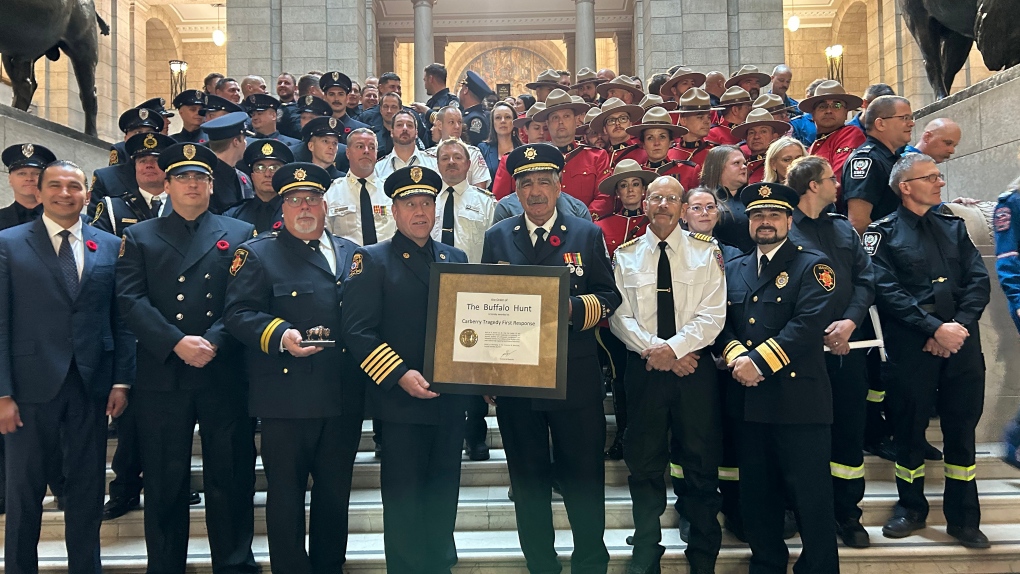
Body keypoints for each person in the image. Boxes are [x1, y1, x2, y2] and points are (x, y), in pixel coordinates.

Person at [116, 142, 259, 574]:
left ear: (213, 186)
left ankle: (234, 564)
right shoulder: (138, 236)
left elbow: (246, 300)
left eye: (200, 176)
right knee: (163, 479)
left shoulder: (240, 235)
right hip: (164, 373)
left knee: (231, 477)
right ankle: (165, 566)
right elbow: (129, 300)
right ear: (167, 183)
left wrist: (213, 341)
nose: (192, 183)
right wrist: (176, 342)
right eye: (182, 176)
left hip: (224, 370)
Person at [480, 143, 621, 574]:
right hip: (517, 382)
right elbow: (485, 305)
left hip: (574, 379)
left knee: (583, 477)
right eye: (526, 183)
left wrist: (572, 310)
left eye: (544, 181)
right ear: (515, 192)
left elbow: (609, 296)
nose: (536, 191)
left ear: (560, 186)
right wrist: (485, 369)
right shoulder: (497, 237)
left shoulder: (586, 233)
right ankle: (541, 562)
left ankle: (590, 561)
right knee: (527, 481)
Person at [223, 162, 363, 573]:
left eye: (313, 199)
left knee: (335, 498)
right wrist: (280, 333)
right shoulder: (258, 253)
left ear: (325, 206)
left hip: (342, 398)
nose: (305, 207)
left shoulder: (351, 254)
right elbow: (238, 314)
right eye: (295, 200)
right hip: (286, 400)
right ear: (282, 209)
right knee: (285, 498)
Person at [0, 160, 133, 574]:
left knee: (87, 486)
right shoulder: (8, 242)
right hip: (27, 387)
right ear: (37, 192)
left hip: (90, 385)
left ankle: (85, 567)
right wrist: (2, 393)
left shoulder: (110, 245)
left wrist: (122, 381)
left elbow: (121, 319)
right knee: (24, 489)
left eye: (73, 186)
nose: (64, 193)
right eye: (54, 185)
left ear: (87, 195)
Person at [342, 165, 469, 574]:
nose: (420, 211)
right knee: (404, 497)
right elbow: (358, 331)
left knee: (443, 493)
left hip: (450, 402)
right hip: (400, 404)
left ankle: (440, 566)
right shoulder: (372, 259)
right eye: (410, 204)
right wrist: (399, 374)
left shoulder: (456, 257)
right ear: (393, 212)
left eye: (427, 203)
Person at [866, 153, 991, 549]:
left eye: (939, 176)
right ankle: (911, 509)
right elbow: (886, 291)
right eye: (931, 177)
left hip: (961, 342)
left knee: (961, 432)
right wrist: (934, 327)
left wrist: (956, 327)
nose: (939, 183)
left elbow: (978, 281)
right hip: (912, 344)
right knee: (908, 430)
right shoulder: (882, 233)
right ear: (905, 186)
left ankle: (964, 518)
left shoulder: (954, 228)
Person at [715, 181, 840, 574]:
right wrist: (737, 358)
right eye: (757, 215)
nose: (764, 222)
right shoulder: (733, 268)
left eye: (773, 214)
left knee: (811, 496)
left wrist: (759, 362)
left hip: (798, 401)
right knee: (758, 495)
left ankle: (818, 567)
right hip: (749, 403)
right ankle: (767, 563)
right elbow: (722, 323)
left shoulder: (813, 265)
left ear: (788, 219)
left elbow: (808, 324)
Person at [611, 176, 725, 574]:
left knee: (699, 463)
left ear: (682, 207)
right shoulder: (625, 255)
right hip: (644, 371)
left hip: (693, 371)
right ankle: (646, 550)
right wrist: (655, 352)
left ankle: (703, 555)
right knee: (643, 464)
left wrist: (673, 351)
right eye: (656, 197)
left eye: (672, 198)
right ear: (644, 204)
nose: (663, 205)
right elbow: (618, 316)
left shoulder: (706, 253)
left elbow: (713, 315)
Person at [787, 156, 877, 548]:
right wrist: (814, 333)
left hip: (847, 349)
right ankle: (802, 511)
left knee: (848, 435)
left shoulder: (843, 228)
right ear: (811, 186)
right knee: (803, 438)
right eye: (829, 178)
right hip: (803, 356)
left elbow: (866, 280)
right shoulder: (784, 229)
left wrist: (850, 322)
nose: (837, 184)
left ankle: (847, 514)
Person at [432, 138, 496, 461]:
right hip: (433, 295)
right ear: (437, 163)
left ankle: (475, 437)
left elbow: (493, 252)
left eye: (458, 157)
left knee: (472, 369)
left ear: (469, 165)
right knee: (438, 368)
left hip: (474, 293)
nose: (452, 162)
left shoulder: (485, 203)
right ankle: (446, 433)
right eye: (446, 158)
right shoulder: (425, 201)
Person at [592, 160, 655, 461]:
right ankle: (624, 435)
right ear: (617, 191)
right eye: (624, 185)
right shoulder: (602, 227)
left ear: (644, 189)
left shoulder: (658, 223)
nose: (630, 190)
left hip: (655, 316)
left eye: (635, 184)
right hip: (615, 318)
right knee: (621, 379)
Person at [843, 95, 915, 233]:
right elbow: (858, 221)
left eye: (911, 118)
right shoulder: (867, 160)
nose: (911, 123)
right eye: (904, 118)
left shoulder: (891, 158)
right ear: (880, 124)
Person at [325, 128, 396, 245]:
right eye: (360, 146)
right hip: (347, 261)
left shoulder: (390, 192)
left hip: (387, 260)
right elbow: (326, 237)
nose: (366, 151)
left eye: (372, 147)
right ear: (348, 153)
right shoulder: (331, 192)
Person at [92, 132, 174, 235]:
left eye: (156, 160)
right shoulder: (113, 208)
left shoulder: (183, 204)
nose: (149, 165)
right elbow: (98, 244)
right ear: (134, 167)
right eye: (142, 161)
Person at [801, 81, 866, 195]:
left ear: (846, 112)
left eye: (837, 105)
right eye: (822, 106)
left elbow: (837, 181)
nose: (829, 111)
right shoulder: (811, 148)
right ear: (813, 115)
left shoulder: (850, 134)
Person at [223, 139, 293, 234]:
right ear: (252, 176)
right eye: (260, 168)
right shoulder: (234, 215)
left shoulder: (295, 210)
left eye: (274, 168)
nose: (267, 174)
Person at [202, 111, 256, 214]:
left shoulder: (242, 176)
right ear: (236, 142)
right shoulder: (205, 179)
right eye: (244, 139)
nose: (246, 143)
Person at [669, 88, 721, 193]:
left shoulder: (715, 153)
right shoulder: (669, 153)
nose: (707, 122)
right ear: (683, 120)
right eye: (700, 117)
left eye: (708, 117)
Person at [426, 106, 492, 189]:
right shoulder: (428, 156)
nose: (457, 126)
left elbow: (480, 190)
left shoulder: (473, 154)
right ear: (439, 125)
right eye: (451, 122)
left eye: (459, 122)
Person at [702, 145, 752, 252]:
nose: (743, 167)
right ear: (718, 168)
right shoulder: (702, 199)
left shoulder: (752, 198)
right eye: (736, 163)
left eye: (744, 163)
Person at [627, 107, 691, 183]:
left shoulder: (688, 171)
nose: (656, 143)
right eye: (650, 138)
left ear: (671, 142)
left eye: (662, 137)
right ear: (643, 144)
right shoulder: (637, 175)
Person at [376, 109, 438, 185]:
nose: (405, 128)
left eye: (409, 125)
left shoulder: (434, 163)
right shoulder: (378, 168)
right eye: (399, 125)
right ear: (392, 132)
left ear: (416, 133)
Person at [0, 143, 55, 229]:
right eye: (22, 174)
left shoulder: (60, 218)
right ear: (10, 179)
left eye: (37, 174)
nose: (29, 178)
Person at [730, 109, 790, 184]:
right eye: (751, 133)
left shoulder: (779, 165)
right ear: (746, 138)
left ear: (775, 136)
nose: (756, 136)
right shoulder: (740, 164)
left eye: (763, 131)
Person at [590, 98, 646, 167]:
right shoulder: (601, 159)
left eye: (623, 119)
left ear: (630, 124)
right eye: (611, 120)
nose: (617, 123)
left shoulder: (644, 154)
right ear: (605, 129)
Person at [413, 63, 459, 148]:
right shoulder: (431, 102)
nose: (425, 85)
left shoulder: (451, 101)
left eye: (425, 80)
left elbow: (449, 121)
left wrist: (426, 110)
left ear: (431, 79)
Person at [320, 71, 369, 145]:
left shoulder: (361, 130)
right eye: (331, 94)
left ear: (347, 98)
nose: (336, 99)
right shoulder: (317, 127)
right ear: (325, 98)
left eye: (341, 94)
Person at [478, 101, 521, 185]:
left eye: (508, 117)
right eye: (498, 118)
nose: (503, 121)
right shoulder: (482, 149)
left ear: (514, 122)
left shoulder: (522, 149)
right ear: (493, 123)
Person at [459, 71, 495, 146]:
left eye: (462, 87)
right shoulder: (470, 114)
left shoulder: (475, 119)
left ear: (465, 90)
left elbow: (473, 147)